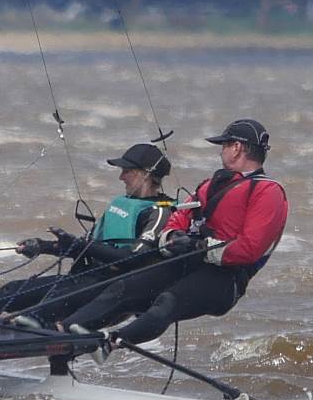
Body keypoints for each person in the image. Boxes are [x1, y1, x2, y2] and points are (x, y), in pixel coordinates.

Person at [60, 118, 288, 353]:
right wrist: (173, 237)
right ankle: (62, 331)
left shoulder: (268, 192)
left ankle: (110, 342)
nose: (221, 151)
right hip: (188, 261)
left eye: (224, 145)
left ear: (237, 148)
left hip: (225, 279)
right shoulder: (210, 184)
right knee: (123, 287)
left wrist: (200, 247)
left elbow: (250, 248)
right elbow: (178, 217)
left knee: (166, 302)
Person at [0, 142, 175, 324]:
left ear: (146, 174)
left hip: (111, 291)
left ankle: (27, 327)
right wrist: (43, 246)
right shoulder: (122, 204)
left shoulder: (160, 211)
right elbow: (82, 247)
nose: (121, 177)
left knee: (46, 306)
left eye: (127, 171)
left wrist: (81, 246)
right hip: (85, 279)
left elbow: (134, 259)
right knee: (12, 290)